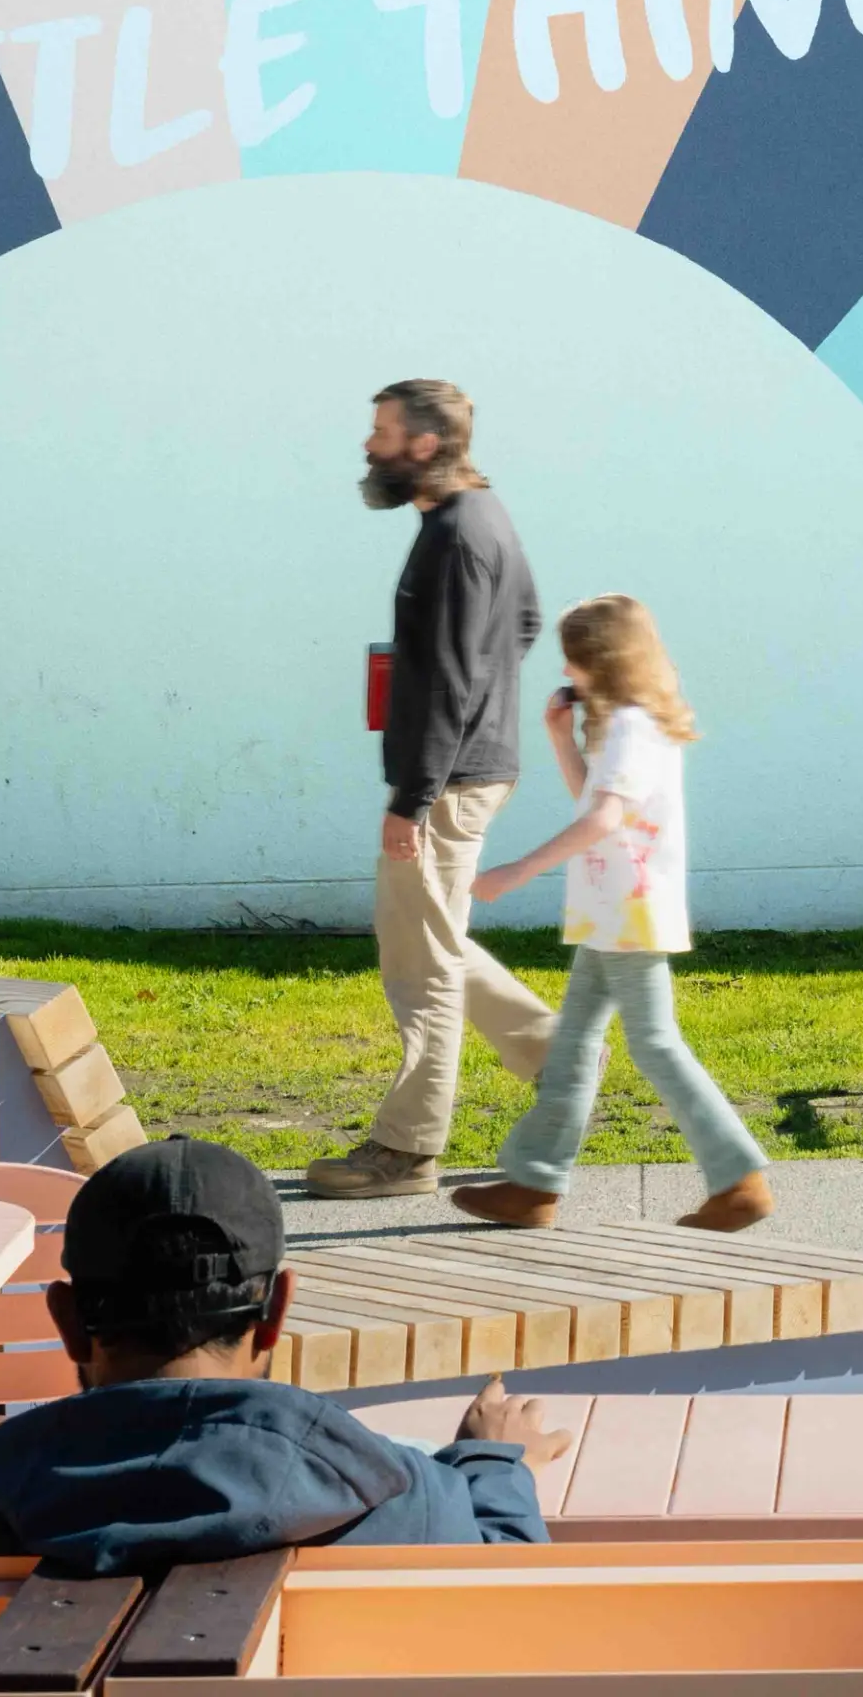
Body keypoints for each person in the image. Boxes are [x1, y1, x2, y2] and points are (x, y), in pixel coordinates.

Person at [0, 1136, 564, 1565]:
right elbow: (508, 1606)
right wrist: (494, 1463)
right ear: (276, 1313)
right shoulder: (405, 1503)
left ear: (68, 1321)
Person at [309, 379, 557, 1202]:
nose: (368, 445)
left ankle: (408, 1149)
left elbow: (452, 678)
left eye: (380, 431)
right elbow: (523, 624)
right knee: (434, 937)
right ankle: (558, 1060)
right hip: (473, 765)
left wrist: (412, 798)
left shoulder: (455, 534)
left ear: (423, 445)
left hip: (446, 780)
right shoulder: (482, 516)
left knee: (421, 965)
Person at [454, 596, 774, 1234]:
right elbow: (595, 806)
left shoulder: (633, 726)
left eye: (574, 660)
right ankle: (534, 1184)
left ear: (600, 660)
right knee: (573, 1044)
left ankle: (739, 1180)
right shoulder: (629, 724)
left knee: (654, 1043)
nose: (568, 672)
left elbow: (601, 819)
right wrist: (560, 738)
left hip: (629, 911)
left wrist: (514, 871)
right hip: (612, 911)